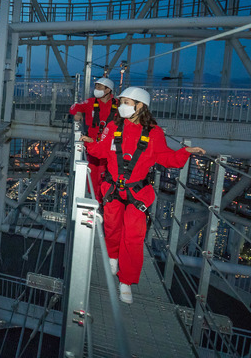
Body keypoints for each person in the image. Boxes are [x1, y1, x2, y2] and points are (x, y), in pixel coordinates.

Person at [80, 86, 205, 304]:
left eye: (127, 102)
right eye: (121, 102)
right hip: (112, 189)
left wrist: (185, 152)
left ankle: (126, 280)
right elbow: (101, 151)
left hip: (137, 191)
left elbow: (167, 158)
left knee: (133, 236)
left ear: (140, 106)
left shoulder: (153, 133)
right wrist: (90, 144)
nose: (122, 106)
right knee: (111, 226)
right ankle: (112, 255)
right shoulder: (112, 126)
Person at [69, 77, 118, 203]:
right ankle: (95, 199)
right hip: (92, 143)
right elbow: (75, 107)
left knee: (105, 173)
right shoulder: (90, 102)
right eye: (96, 87)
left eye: (99, 87)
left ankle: (102, 200)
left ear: (108, 90)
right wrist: (78, 112)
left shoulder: (117, 105)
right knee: (92, 173)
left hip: (107, 145)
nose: (96, 89)